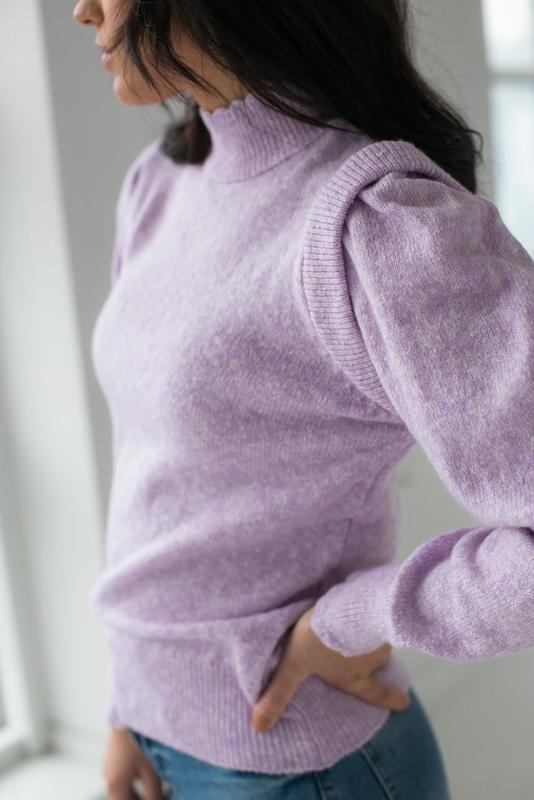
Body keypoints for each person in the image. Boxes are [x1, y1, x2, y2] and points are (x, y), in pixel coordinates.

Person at [72, 1, 534, 799]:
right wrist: (130, 706)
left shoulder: (375, 222)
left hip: (304, 770)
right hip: (161, 740)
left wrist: (352, 620)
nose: (82, 10)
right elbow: (157, 484)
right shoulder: (161, 183)